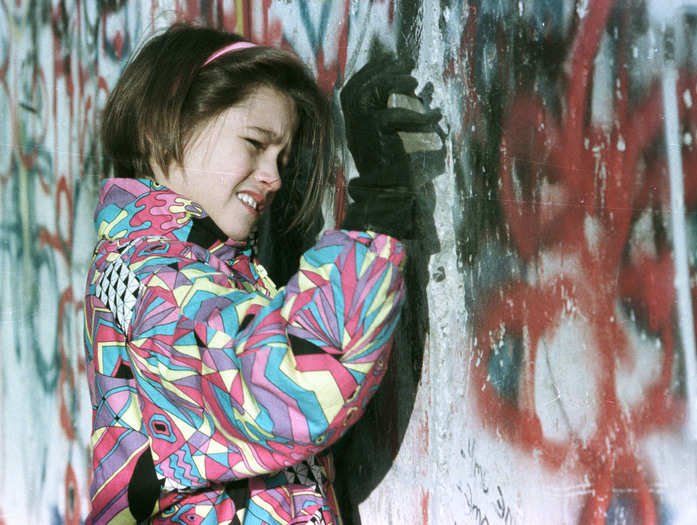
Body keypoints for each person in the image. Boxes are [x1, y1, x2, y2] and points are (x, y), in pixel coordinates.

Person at [84, 23, 438, 525]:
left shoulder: (200, 269)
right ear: (164, 126)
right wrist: (377, 214)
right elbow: (286, 384)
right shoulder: (154, 280)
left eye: (282, 159)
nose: (272, 177)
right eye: (254, 144)